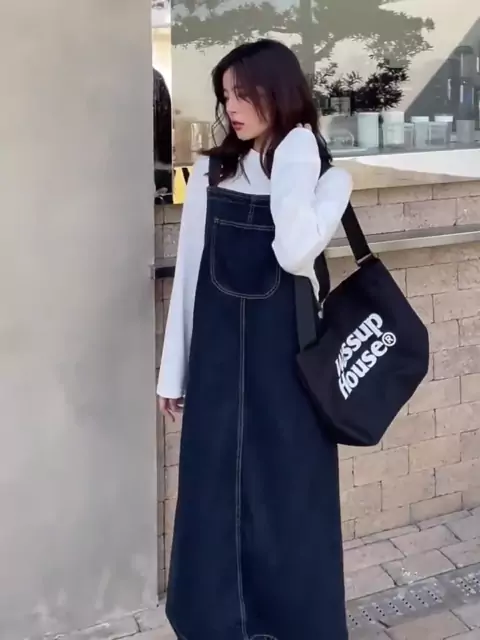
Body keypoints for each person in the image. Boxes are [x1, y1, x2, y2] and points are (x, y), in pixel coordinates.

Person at [158, 39, 353, 640]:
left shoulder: (298, 152)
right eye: (226, 96)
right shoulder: (214, 169)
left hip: (286, 366)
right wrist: (173, 371)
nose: (233, 108)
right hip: (218, 365)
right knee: (216, 499)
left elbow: (293, 252)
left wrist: (324, 176)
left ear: (278, 91)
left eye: (244, 94)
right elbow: (190, 273)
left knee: (289, 501)